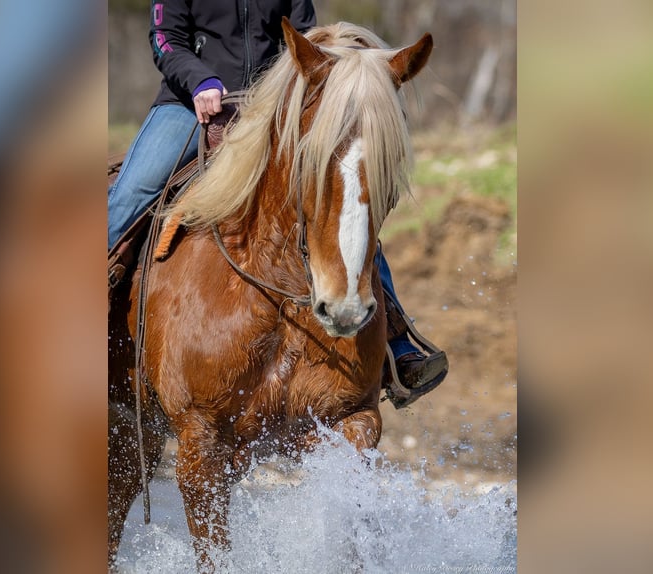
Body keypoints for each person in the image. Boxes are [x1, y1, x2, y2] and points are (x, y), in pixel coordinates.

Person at [108, 0, 447, 408]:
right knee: (131, 195)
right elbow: (165, 39)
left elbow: (304, 40)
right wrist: (200, 81)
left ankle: (395, 338)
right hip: (189, 104)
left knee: (342, 199)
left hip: (276, 105)